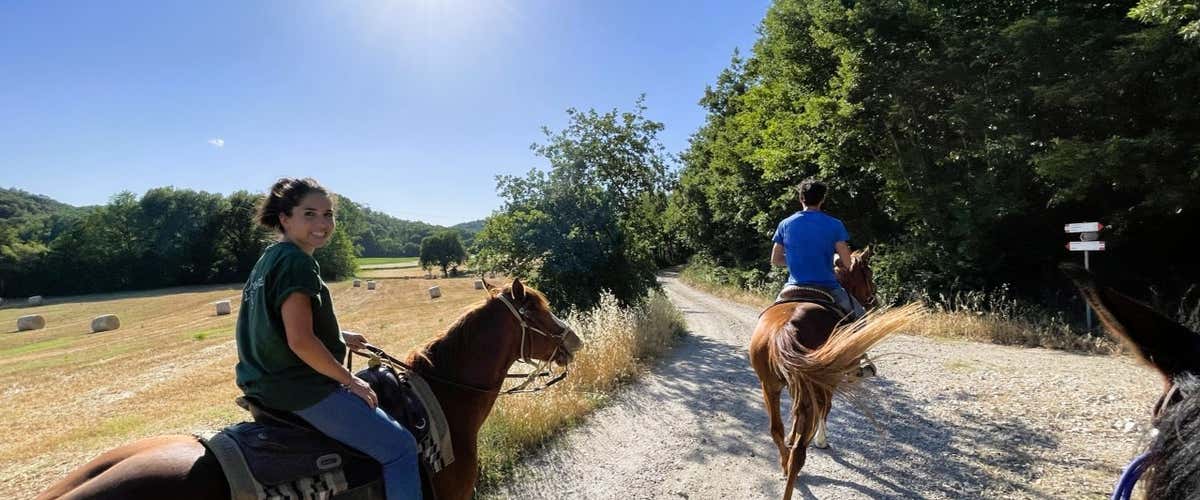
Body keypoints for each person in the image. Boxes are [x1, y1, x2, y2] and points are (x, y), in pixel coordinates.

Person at [235, 177, 422, 500]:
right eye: (309, 214)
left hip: (262, 382)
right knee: (401, 448)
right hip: (298, 387)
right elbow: (301, 341)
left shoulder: (270, 257)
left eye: (328, 214)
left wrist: (340, 336)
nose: (322, 223)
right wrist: (351, 380)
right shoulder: (297, 262)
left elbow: (278, 324)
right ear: (284, 218)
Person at [770, 179, 865, 320]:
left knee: (769, 317)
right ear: (822, 199)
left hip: (793, 286)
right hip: (828, 287)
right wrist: (834, 260)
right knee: (862, 318)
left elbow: (776, 260)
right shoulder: (835, 224)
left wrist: (799, 260)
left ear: (801, 198)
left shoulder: (785, 224)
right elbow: (847, 263)